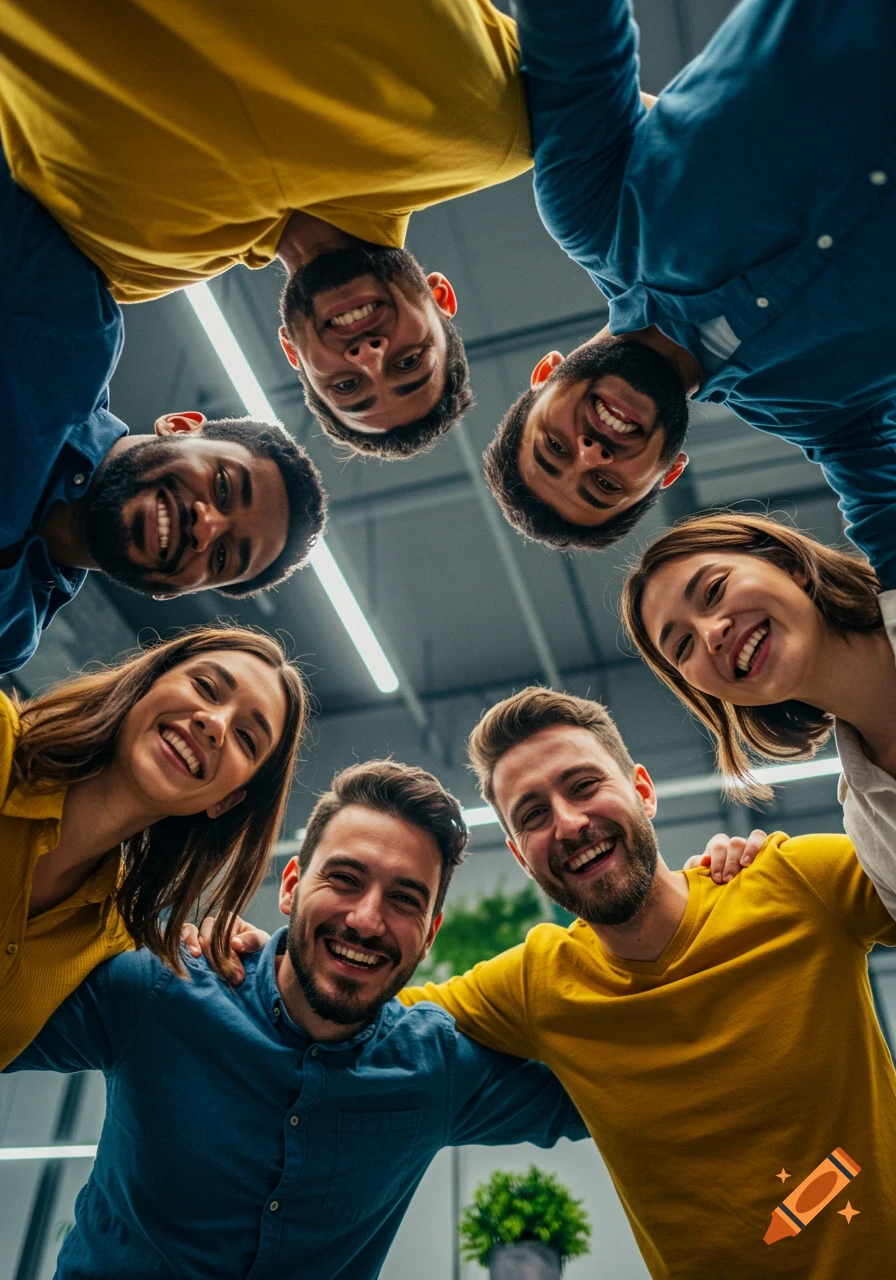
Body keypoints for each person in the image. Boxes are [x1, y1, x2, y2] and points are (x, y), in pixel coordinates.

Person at [7, 760, 588, 1279]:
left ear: (430, 933)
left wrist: (678, 907)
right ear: (291, 886)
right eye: (345, 879)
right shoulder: (162, 991)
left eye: (405, 899)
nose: (366, 920)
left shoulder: (436, 1068)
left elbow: (610, 1083)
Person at [399, 687, 896, 1279]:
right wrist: (263, 947)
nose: (569, 822)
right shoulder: (538, 985)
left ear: (643, 790)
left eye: (584, 785)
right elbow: (359, 1008)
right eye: (533, 814)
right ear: (518, 854)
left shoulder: (794, 882)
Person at [0, 0, 533, 455]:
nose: (369, 355)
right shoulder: (490, 127)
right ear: (440, 299)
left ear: (292, 352)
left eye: (347, 386)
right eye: (409, 360)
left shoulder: (131, 264)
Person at [484, 0, 896, 570]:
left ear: (546, 374)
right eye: (604, 486)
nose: (590, 453)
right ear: (669, 472)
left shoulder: (590, 205)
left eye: (553, 448)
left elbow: (572, 28)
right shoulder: (832, 417)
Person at [0, 146, 326, 675]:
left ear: (174, 593)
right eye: (223, 485)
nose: (206, 526)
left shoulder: (8, 629)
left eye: (222, 559)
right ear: (181, 426)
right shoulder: (71, 333)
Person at [0, 623, 306, 1071]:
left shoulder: (114, 939)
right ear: (147, 683)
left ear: (226, 800)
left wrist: (256, 974)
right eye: (205, 686)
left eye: (246, 738)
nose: (215, 724)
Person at [621, 511, 896, 920]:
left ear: (790, 565)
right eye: (682, 647)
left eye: (714, 590)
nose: (712, 635)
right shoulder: (869, 825)